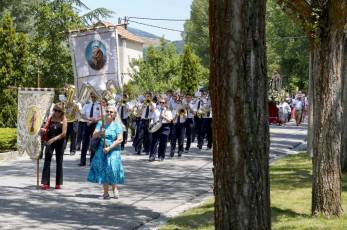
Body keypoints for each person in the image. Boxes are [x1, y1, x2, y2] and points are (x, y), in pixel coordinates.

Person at [87, 106, 125, 199]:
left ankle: (115, 189)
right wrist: (100, 132)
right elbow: (94, 136)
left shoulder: (117, 125)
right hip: (101, 150)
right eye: (107, 111)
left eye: (111, 112)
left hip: (113, 150)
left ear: (114, 114)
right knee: (103, 169)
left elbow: (120, 139)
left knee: (112, 169)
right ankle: (105, 192)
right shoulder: (101, 123)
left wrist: (110, 148)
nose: (109, 113)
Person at [40, 102, 67, 190]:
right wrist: (43, 129)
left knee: (59, 161)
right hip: (49, 140)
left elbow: (64, 134)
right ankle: (45, 183)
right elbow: (46, 127)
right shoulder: (51, 117)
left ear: (61, 112)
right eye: (54, 110)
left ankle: (58, 183)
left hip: (59, 141)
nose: (55, 112)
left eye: (57, 110)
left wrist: (54, 139)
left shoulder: (64, 119)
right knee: (47, 160)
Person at [79, 92, 101, 166]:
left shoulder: (99, 105)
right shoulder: (87, 104)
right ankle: (82, 161)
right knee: (85, 142)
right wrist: (88, 119)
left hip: (95, 125)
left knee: (94, 143)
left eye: (94, 96)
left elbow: (102, 116)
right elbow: (82, 114)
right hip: (87, 124)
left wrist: (94, 120)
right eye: (92, 96)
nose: (93, 98)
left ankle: (92, 161)